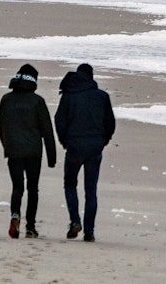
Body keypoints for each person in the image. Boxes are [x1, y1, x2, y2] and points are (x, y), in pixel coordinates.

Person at [55, 63, 114, 242]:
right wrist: (103, 141)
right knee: (91, 189)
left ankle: (75, 221)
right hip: (95, 146)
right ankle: (89, 231)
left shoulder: (68, 95)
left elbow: (59, 121)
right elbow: (110, 123)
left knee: (70, 184)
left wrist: (65, 142)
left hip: (74, 146)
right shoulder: (102, 96)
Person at [0, 64, 56, 239]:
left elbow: (1, 125)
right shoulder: (37, 101)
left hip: (13, 150)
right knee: (33, 189)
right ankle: (30, 227)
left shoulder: (6, 99)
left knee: (17, 187)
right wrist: (51, 157)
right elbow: (47, 131)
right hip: (33, 152)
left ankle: (15, 214)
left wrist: (6, 145)